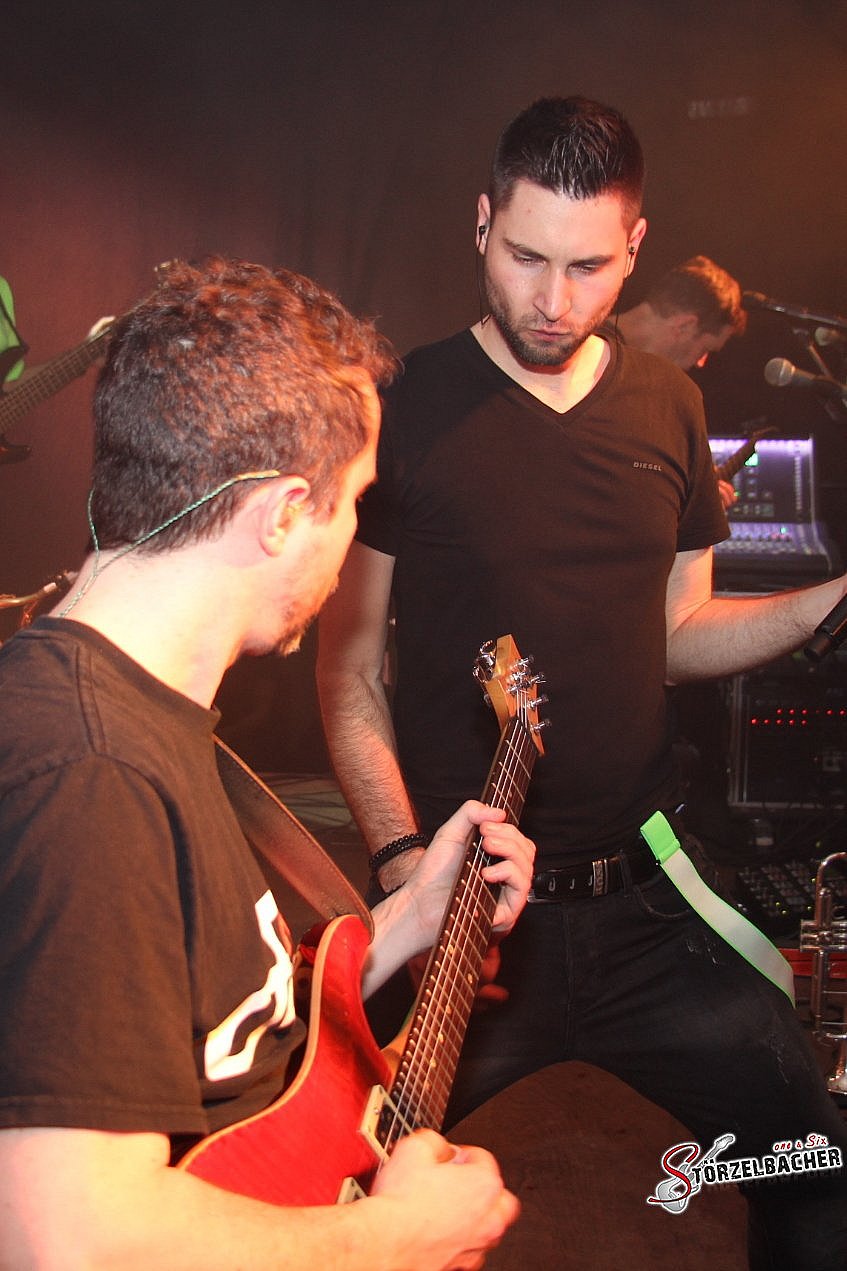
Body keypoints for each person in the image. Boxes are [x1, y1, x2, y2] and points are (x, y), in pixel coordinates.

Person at [316, 97, 847, 1268]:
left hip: (642, 909)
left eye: (588, 267)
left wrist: (827, 600)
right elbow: (347, 671)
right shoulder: (402, 406)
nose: (553, 300)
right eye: (525, 258)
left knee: (811, 1162)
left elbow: (677, 631)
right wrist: (405, 868)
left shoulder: (670, 403)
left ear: (635, 247)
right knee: (330, 1195)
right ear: (480, 224)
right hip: (463, 911)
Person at [0, 256, 536, 1267]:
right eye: (354, 501)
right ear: (284, 512)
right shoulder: (90, 772)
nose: (354, 536)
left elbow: (218, 1027)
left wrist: (404, 921)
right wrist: (399, 1233)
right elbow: (66, 1238)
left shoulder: (142, 716)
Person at [616, 254, 747, 508]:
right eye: (705, 349)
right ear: (685, 326)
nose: (701, 362)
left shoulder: (645, 380)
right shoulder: (585, 363)